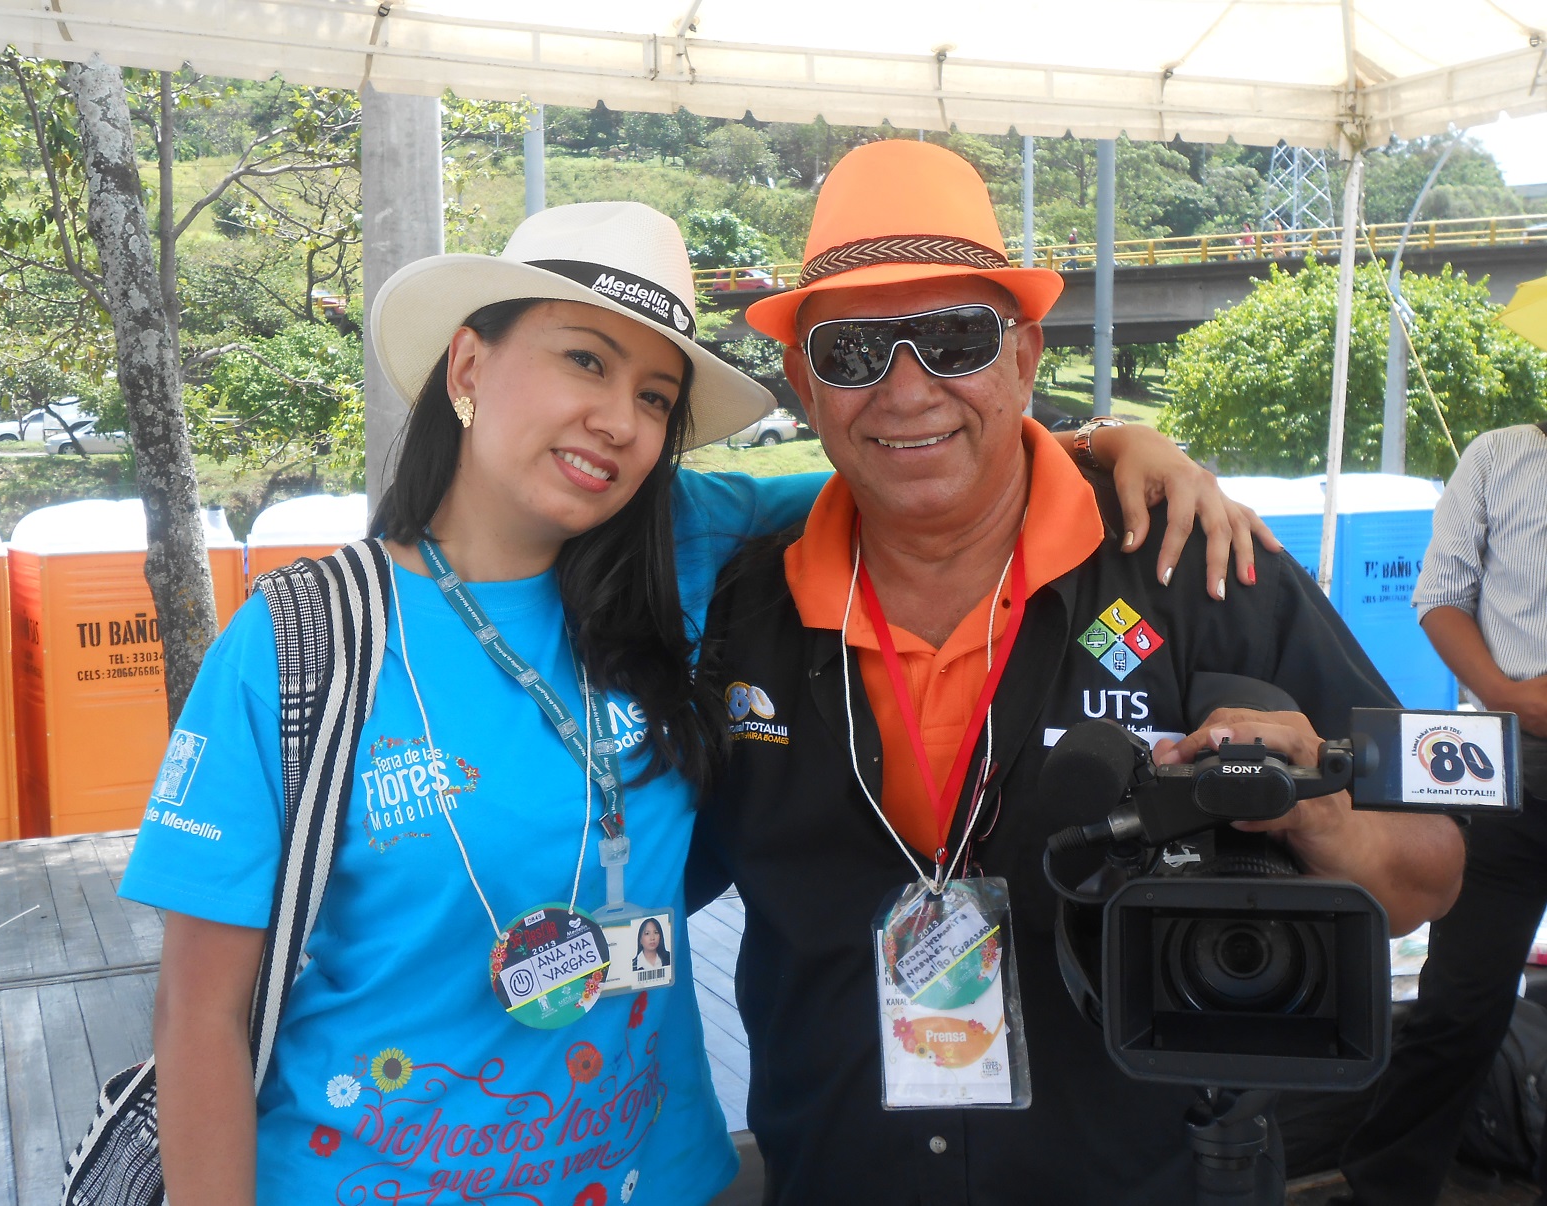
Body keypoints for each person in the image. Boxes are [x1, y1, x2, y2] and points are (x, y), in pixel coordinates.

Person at [117, 198, 1265, 1206]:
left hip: (654, 1173)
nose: (619, 420)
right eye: (582, 361)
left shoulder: (686, 550)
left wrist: (1122, 443)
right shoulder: (305, 643)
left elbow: (919, 455)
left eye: (654, 394)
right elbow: (199, 1020)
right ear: (468, 366)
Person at [689, 139, 1466, 1205]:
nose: (907, 391)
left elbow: (1429, 876)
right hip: (836, 1174)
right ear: (805, 388)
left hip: (1152, 1177)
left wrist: (1319, 822)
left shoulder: (1199, 562)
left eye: (954, 339)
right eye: (855, 351)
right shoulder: (738, 611)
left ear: (1021, 356)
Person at [1336, 420, 1547, 1206]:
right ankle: (1384, 1189)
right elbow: (1441, 594)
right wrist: (1503, 692)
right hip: (1511, 763)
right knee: (1459, 1007)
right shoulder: (1499, 455)